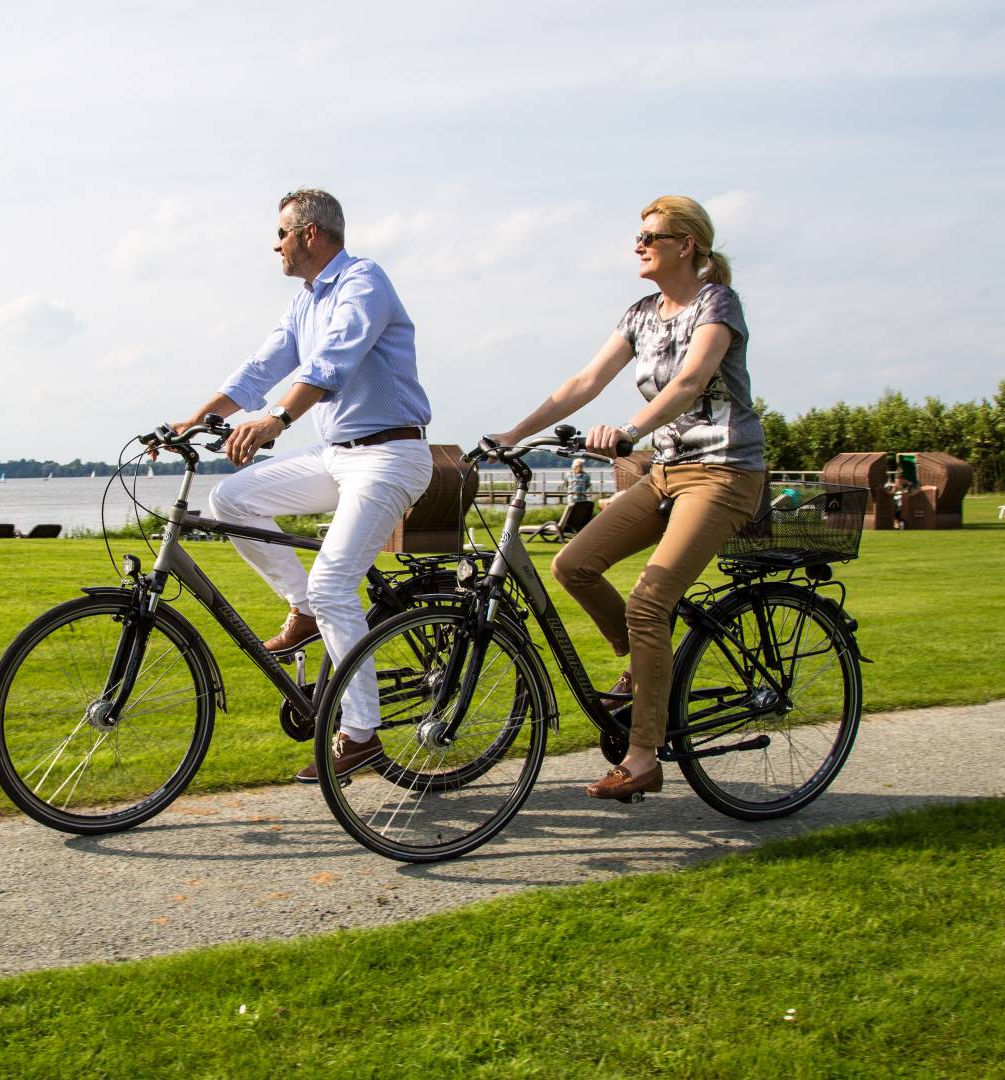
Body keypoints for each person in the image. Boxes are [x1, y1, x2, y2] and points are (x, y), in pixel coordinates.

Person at [489, 195, 765, 802]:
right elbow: (584, 383)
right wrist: (515, 434)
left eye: (650, 237)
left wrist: (631, 431)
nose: (637, 246)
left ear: (685, 245)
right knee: (572, 564)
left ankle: (643, 757)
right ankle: (642, 668)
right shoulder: (640, 312)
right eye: (638, 237)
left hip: (723, 472)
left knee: (648, 601)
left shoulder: (717, 303)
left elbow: (692, 380)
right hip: (667, 471)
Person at [168, 188, 434, 783]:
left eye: (281, 234)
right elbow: (261, 368)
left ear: (309, 233)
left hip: (390, 454)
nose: (275, 245)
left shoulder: (364, 282)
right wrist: (194, 419)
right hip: (335, 454)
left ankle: (360, 733)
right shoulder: (304, 301)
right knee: (233, 497)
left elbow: (331, 363)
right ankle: (305, 609)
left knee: (336, 581)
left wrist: (276, 420)